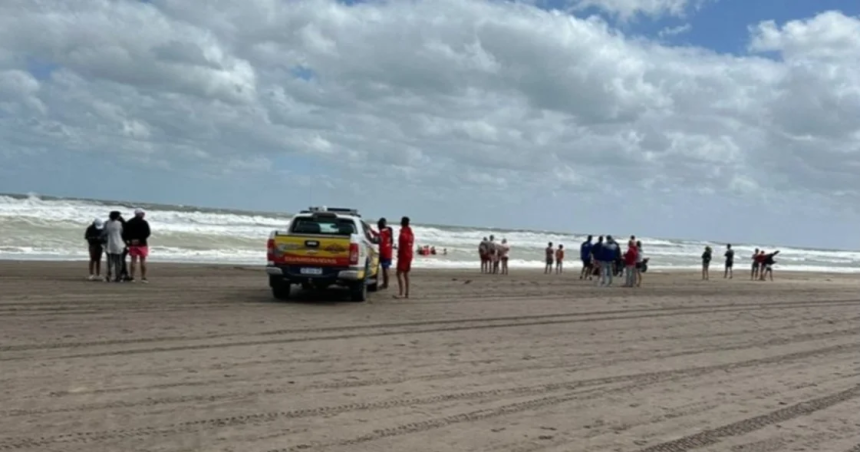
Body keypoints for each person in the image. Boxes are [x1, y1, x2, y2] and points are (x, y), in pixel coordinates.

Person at [124, 208, 151, 283]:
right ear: (139, 214)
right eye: (142, 213)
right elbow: (147, 233)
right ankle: (143, 277)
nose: (143, 215)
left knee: (133, 260)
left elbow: (125, 233)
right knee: (142, 260)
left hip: (132, 244)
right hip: (142, 243)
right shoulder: (144, 222)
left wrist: (130, 240)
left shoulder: (129, 222)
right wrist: (140, 239)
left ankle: (132, 277)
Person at [103, 211, 125, 283]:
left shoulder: (106, 223)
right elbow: (121, 232)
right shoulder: (119, 223)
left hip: (109, 244)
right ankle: (118, 277)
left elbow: (104, 232)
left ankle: (108, 276)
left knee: (110, 262)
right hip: (118, 244)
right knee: (118, 262)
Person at [396, 216, 414, 299]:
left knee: (399, 274)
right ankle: (406, 293)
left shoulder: (403, 234)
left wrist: (399, 254)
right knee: (406, 274)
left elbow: (401, 246)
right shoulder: (411, 233)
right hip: (409, 255)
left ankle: (401, 293)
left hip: (403, 255)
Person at [377, 218, 394, 290]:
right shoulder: (389, 231)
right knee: (387, 268)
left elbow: (380, 241)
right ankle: (386, 283)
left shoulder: (382, 233)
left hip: (384, 252)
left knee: (385, 269)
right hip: (389, 252)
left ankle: (385, 284)